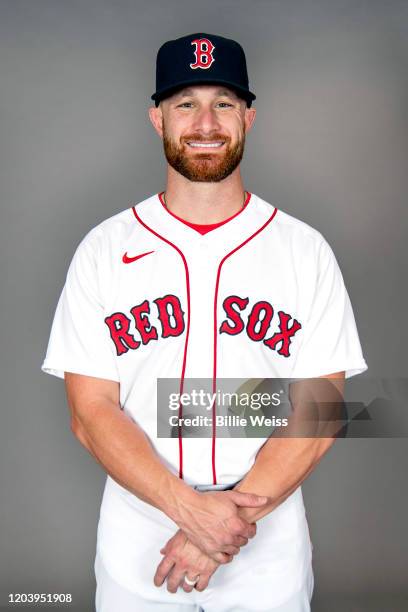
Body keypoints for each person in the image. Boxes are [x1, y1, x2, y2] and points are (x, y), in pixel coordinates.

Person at [41, 32, 368, 611]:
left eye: (223, 103)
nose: (205, 123)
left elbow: (322, 408)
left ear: (249, 117)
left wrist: (222, 530)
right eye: (184, 103)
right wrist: (188, 510)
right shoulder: (104, 248)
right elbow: (90, 413)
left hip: (266, 531)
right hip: (140, 526)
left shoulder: (303, 249)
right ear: (157, 119)